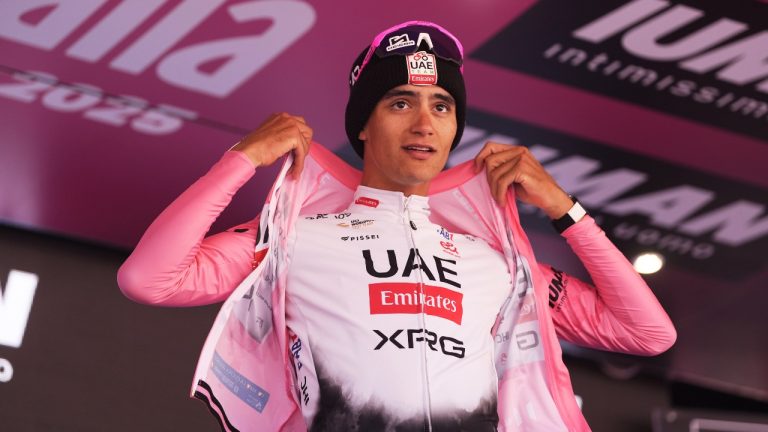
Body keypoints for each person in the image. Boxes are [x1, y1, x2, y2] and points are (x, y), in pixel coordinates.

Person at [118, 21, 676, 432]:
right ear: (363, 123)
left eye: (441, 106)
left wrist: (563, 208)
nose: (424, 122)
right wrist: (240, 160)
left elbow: (648, 334)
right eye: (400, 102)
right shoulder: (293, 236)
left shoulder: (498, 259)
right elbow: (150, 279)